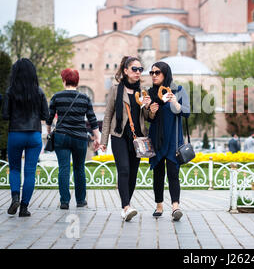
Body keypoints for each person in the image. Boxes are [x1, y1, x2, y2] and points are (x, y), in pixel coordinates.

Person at [99, 56, 151, 221]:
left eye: (140, 69)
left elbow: (148, 117)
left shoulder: (143, 92)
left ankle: (126, 203)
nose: (137, 72)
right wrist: (103, 142)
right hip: (119, 135)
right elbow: (107, 116)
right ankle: (126, 207)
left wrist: (149, 107)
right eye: (134, 69)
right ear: (126, 70)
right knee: (124, 170)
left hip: (137, 138)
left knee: (133, 174)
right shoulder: (115, 89)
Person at [46, 68, 101, 210]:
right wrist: (97, 137)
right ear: (77, 81)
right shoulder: (85, 98)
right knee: (79, 168)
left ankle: (64, 202)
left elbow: (49, 118)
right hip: (80, 138)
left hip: (61, 137)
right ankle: (81, 200)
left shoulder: (56, 97)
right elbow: (92, 120)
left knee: (63, 168)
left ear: (64, 80)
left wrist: (48, 132)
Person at [2, 59, 49, 217]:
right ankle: (24, 208)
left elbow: (5, 115)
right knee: (30, 171)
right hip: (34, 135)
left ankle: (15, 197)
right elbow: (45, 115)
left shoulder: (10, 91)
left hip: (15, 133)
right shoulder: (39, 91)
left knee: (15, 169)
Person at [147, 61, 190, 221]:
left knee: (173, 173)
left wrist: (175, 103)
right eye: (152, 73)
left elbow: (186, 112)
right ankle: (159, 205)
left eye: (157, 72)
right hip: (156, 139)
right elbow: (148, 119)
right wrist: (150, 112)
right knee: (158, 174)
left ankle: (175, 206)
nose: (154, 75)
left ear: (166, 73)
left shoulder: (178, 90)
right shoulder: (150, 93)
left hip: (173, 139)